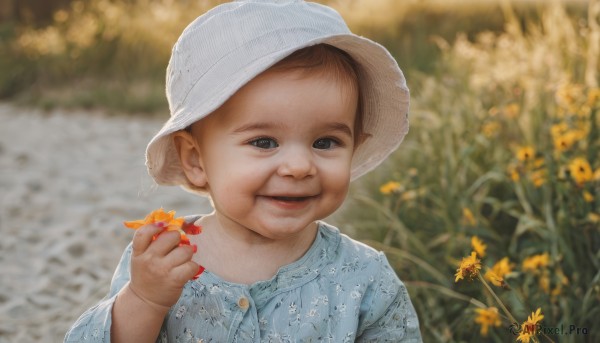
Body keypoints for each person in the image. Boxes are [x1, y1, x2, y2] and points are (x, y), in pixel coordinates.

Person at [65, 0, 422, 342]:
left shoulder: (366, 279)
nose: (299, 167)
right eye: (264, 142)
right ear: (195, 160)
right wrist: (144, 300)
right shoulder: (164, 259)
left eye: (325, 142)